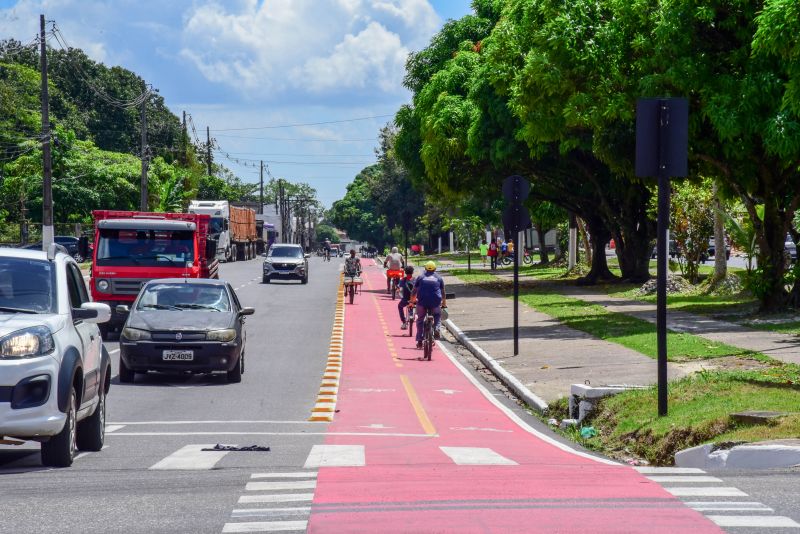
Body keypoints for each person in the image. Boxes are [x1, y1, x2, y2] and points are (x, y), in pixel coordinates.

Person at [413, 261, 446, 349]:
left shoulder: (420, 277)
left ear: (425, 269)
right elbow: (443, 292)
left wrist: (412, 301)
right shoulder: (439, 278)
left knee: (420, 320)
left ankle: (420, 340)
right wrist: (444, 303)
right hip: (435, 302)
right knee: (437, 315)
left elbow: (414, 291)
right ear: (435, 269)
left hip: (422, 302)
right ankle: (437, 329)